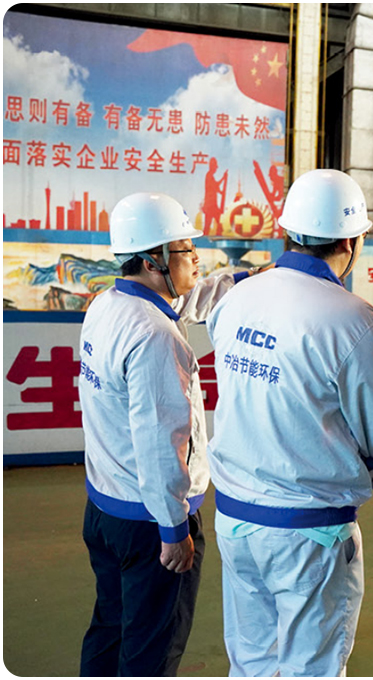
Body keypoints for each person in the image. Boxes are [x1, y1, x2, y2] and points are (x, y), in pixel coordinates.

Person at [206, 168, 373, 677]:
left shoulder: (237, 298)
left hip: (235, 519)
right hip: (309, 531)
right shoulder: (351, 317)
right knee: (311, 667)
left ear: (289, 230)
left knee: (252, 663)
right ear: (351, 242)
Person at [79, 192, 254, 676]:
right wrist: (174, 530)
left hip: (106, 509)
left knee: (109, 630)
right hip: (151, 523)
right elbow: (162, 443)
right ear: (153, 259)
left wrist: (246, 279)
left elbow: (183, 301)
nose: (196, 257)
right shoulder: (156, 336)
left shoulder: (108, 305)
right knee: (151, 652)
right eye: (185, 249)